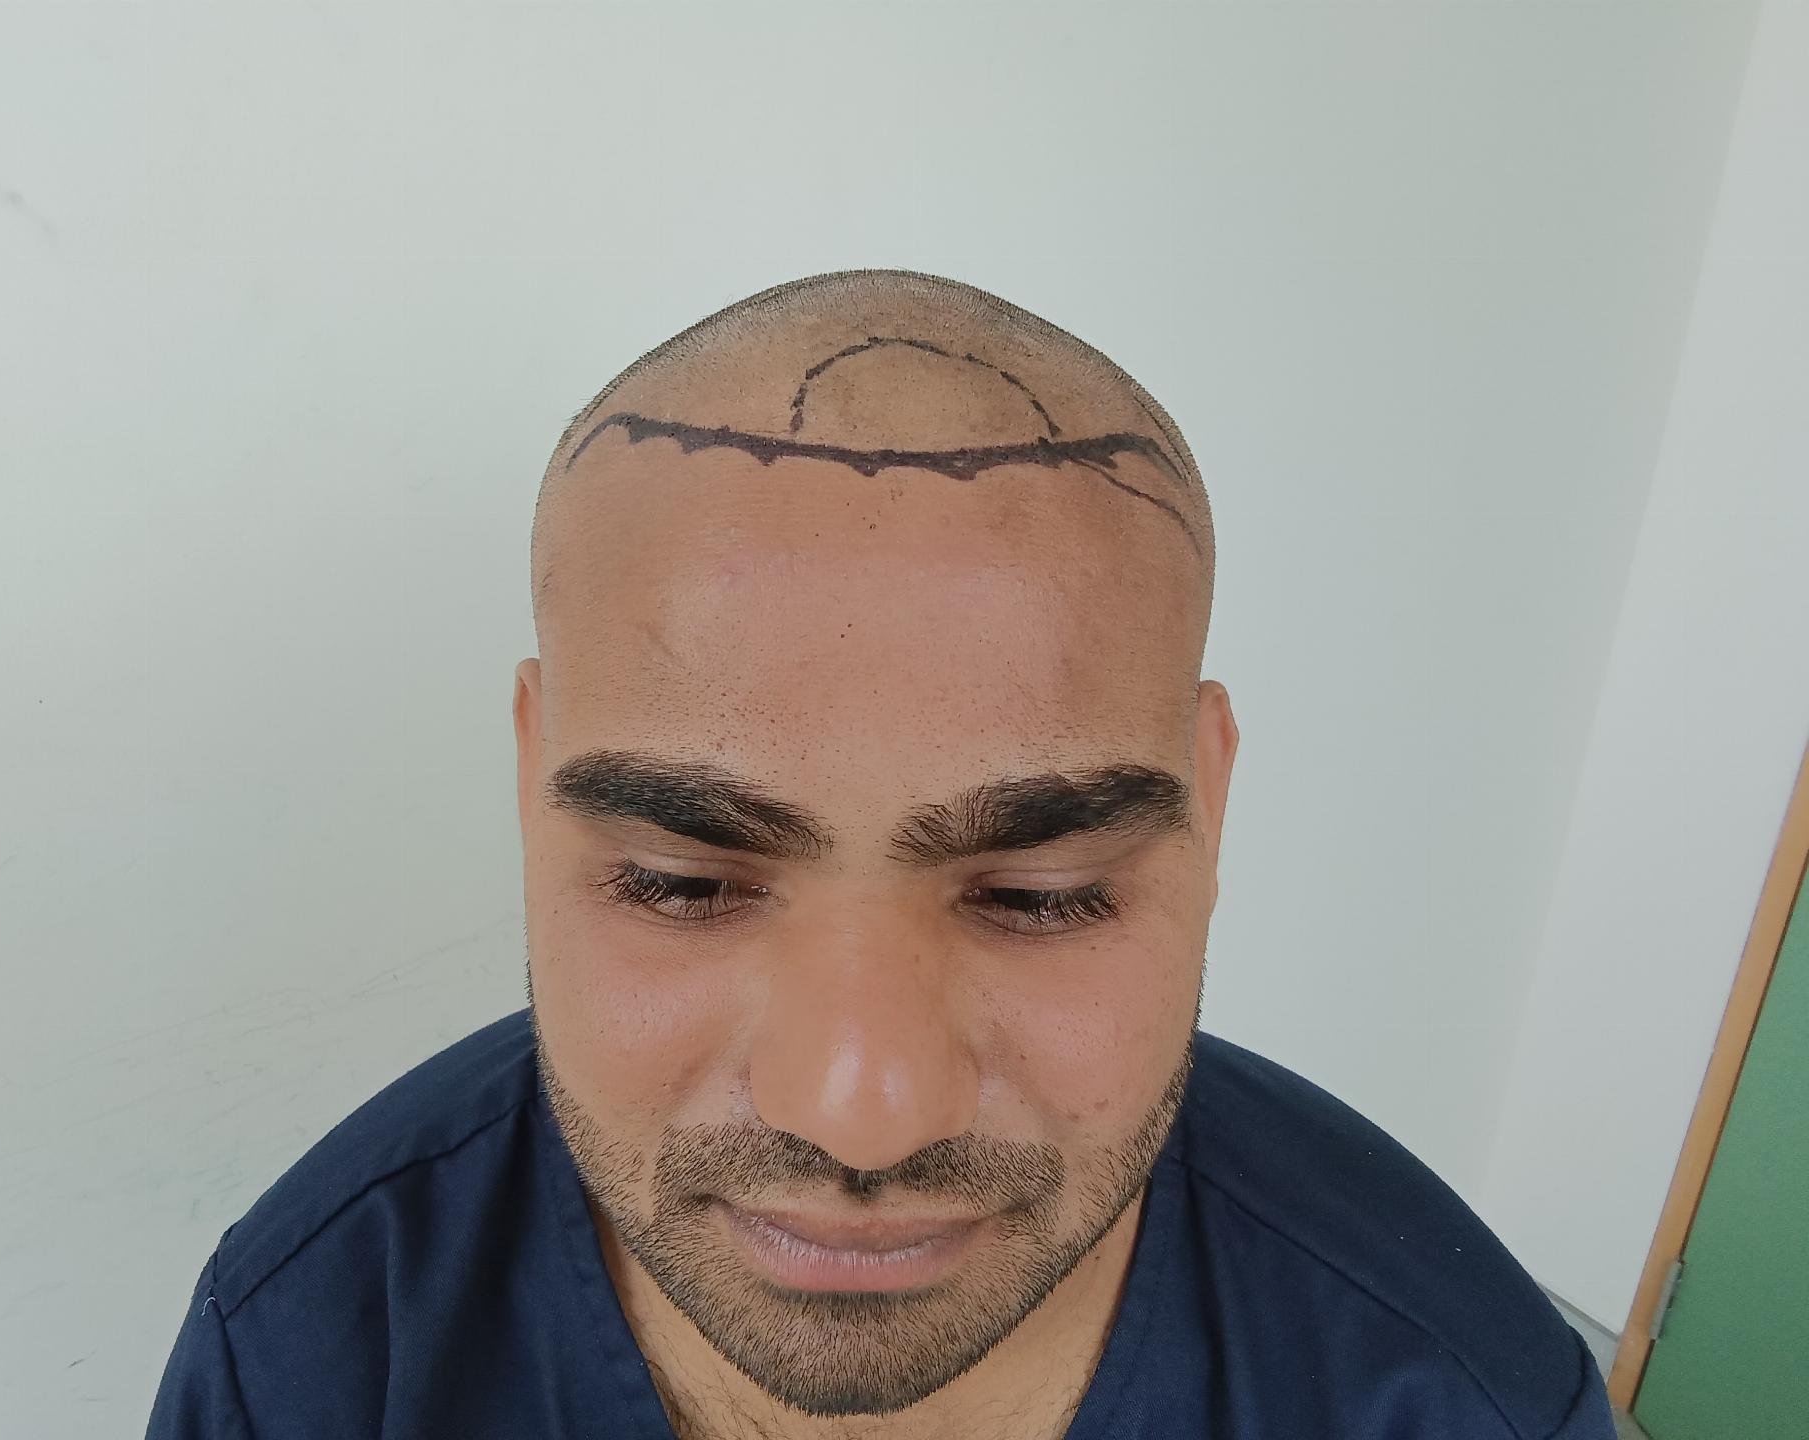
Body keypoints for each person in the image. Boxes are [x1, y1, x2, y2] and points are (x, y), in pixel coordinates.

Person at [146, 269, 1616, 1438]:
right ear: (532, 793)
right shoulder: (318, 1359)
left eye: (1040, 898)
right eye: (684, 884)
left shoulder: (1456, 1400)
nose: (861, 1116)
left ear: (1210, 808)